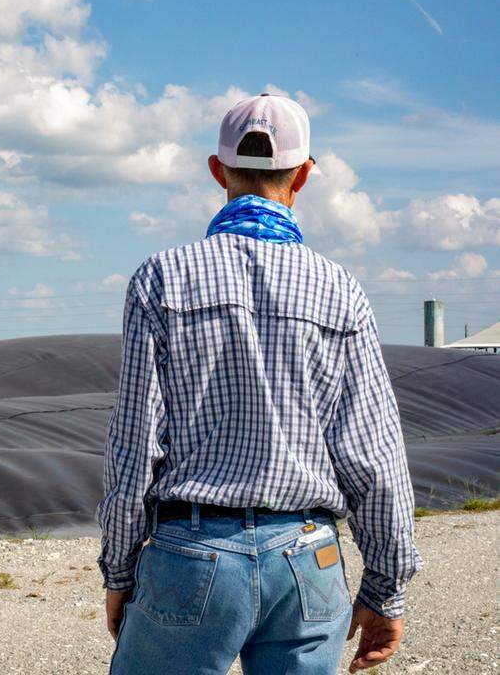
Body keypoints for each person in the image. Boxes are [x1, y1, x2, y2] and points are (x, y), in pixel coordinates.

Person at [97, 94, 420, 674]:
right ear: (304, 174)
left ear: (217, 171)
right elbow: (374, 457)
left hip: (191, 552)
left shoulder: (161, 278)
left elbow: (134, 446)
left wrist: (120, 571)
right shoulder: (340, 291)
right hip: (308, 558)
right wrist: (385, 589)